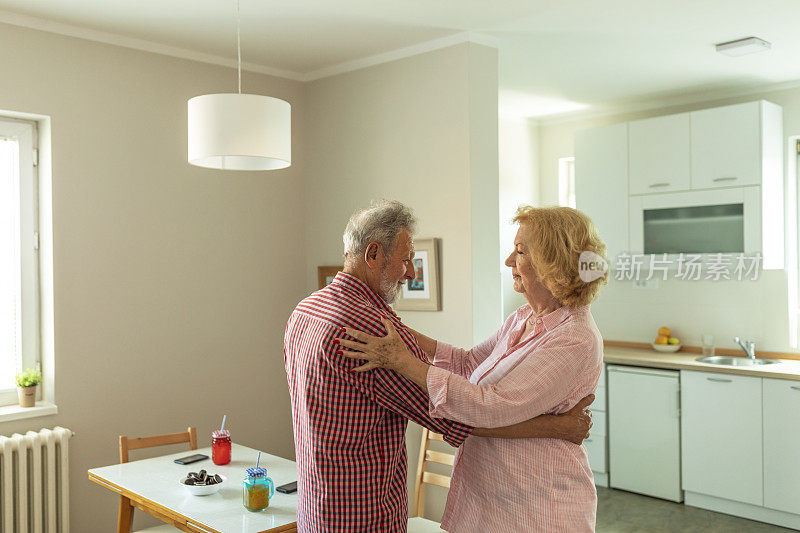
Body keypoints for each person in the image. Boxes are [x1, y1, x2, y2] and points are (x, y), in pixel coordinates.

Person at [284, 200, 595, 532]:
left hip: (319, 506)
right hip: (362, 514)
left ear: (552, 263)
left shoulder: (308, 308)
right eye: (406, 260)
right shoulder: (370, 330)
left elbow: (478, 395)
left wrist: (402, 348)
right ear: (373, 255)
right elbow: (453, 412)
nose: (411, 272)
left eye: (519, 252)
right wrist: (555, 427)